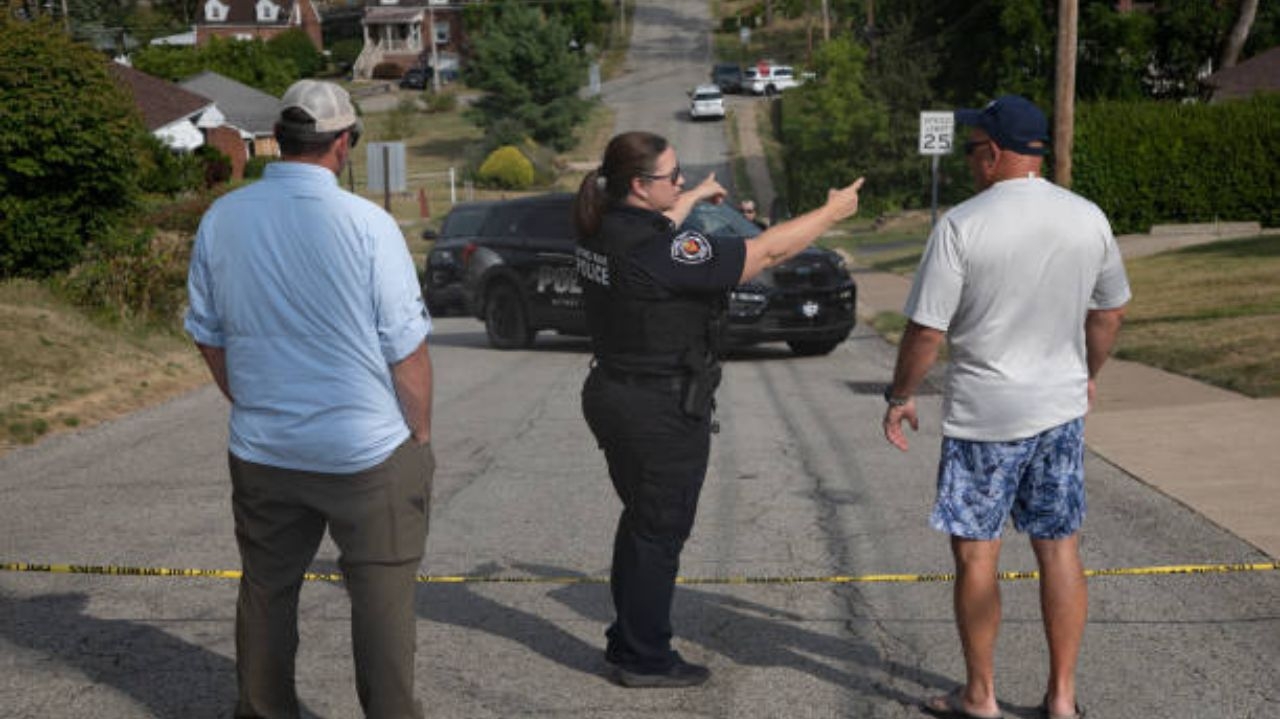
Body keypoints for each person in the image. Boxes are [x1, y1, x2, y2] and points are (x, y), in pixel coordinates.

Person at [573, 131, 864, 688]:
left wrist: (692, 195)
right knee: (660, 530)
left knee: (641, 521)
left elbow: (660, 222)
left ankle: (627, 639)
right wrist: (831, 211)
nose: (679, 182)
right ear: (639, 185)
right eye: (672, 176)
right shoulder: (661, 252)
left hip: (614, 390)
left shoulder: (601, 228)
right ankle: (643, 657)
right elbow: (768, 251)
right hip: (658, 406)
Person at [185, 79, 435, 719]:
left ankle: (263, 710)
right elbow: (405, 349)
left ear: (279, 140)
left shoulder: (223, 218)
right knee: (381, 600)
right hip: (365, 448)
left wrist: (248, 400)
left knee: (267, 590)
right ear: (344, 143)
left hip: (265, 447)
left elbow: (209, 334)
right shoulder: (367, 224)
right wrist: (421, 436)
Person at [881, 95, 1129, 719]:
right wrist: (1087, 375)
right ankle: (1063, 700)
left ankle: (981, 696)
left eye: (973, 150)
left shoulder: (962, 225)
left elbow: (927, 333)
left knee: (976, 554)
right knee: (1060, 548)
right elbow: (1109, 313)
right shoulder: (1087, 217)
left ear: (993, 153)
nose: (969, 161)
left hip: (985, 418)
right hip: (1059, 410)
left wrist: (901, 395)